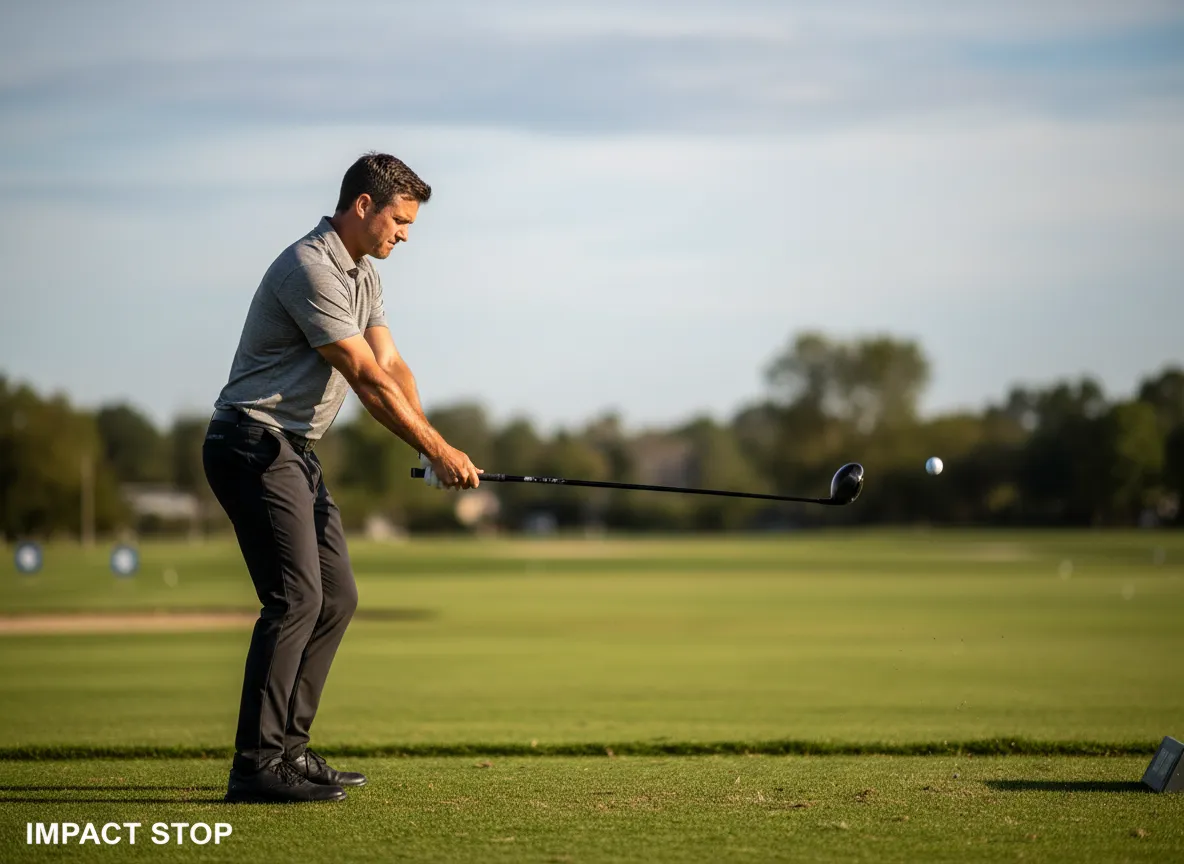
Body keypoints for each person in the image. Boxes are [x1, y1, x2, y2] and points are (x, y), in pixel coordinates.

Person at [203, 152, 481, 803]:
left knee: (338, 596)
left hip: (293, 449)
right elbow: (363, 378)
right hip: (250, 441)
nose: (405, 235)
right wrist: (439, 450)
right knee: (296, 597)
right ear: (364, 206)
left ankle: (289, 753)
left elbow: (391, 364)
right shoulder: (310, 267)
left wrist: (430, 444)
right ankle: (255, 766)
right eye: (400, 220)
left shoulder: (363, 275)